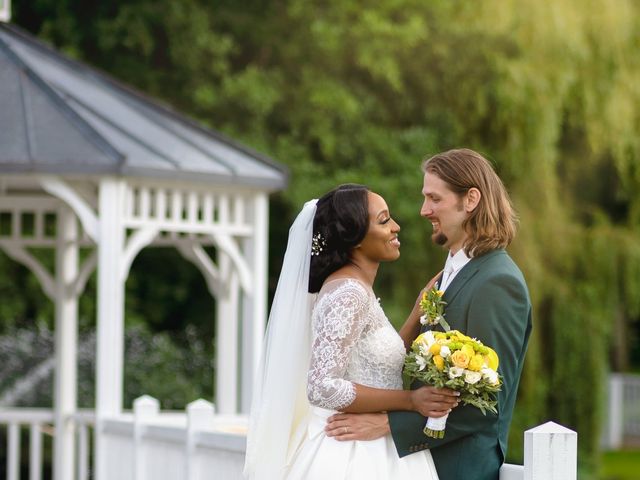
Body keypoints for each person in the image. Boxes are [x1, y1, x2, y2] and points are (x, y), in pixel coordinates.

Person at [326, 149, 532, 480]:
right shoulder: (451, 273)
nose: (424, 211)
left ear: (471, 200)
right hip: (420, 465)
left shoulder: (497, 282)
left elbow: (487, 403)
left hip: (458, 468)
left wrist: (386, 424)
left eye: (434, 198)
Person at [244, 184, 459, 480]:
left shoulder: (355, 289)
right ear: (354, 236)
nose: (396, 227)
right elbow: (322, 386)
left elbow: (371, 360)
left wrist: (416, 313)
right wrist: (410, 401)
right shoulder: (349, 293)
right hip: (353, 457)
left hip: (375, 448)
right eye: (384, 221)